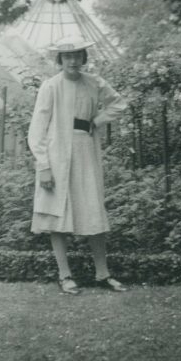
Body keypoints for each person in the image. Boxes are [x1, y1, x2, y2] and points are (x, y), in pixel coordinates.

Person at [27, 35, 128, 295]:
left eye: (77, 55)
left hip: (85, 152)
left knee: (92, 209)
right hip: (56, 154)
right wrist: (44, 166)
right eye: (67, 56)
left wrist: (98, 120)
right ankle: (65, 275)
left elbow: (119, 103)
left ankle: (103, 274)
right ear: (59, 60)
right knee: (57, 213)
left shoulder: (94, 83)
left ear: (84, 58)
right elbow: (37, 130)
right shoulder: (51, 87)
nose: (72, 60)